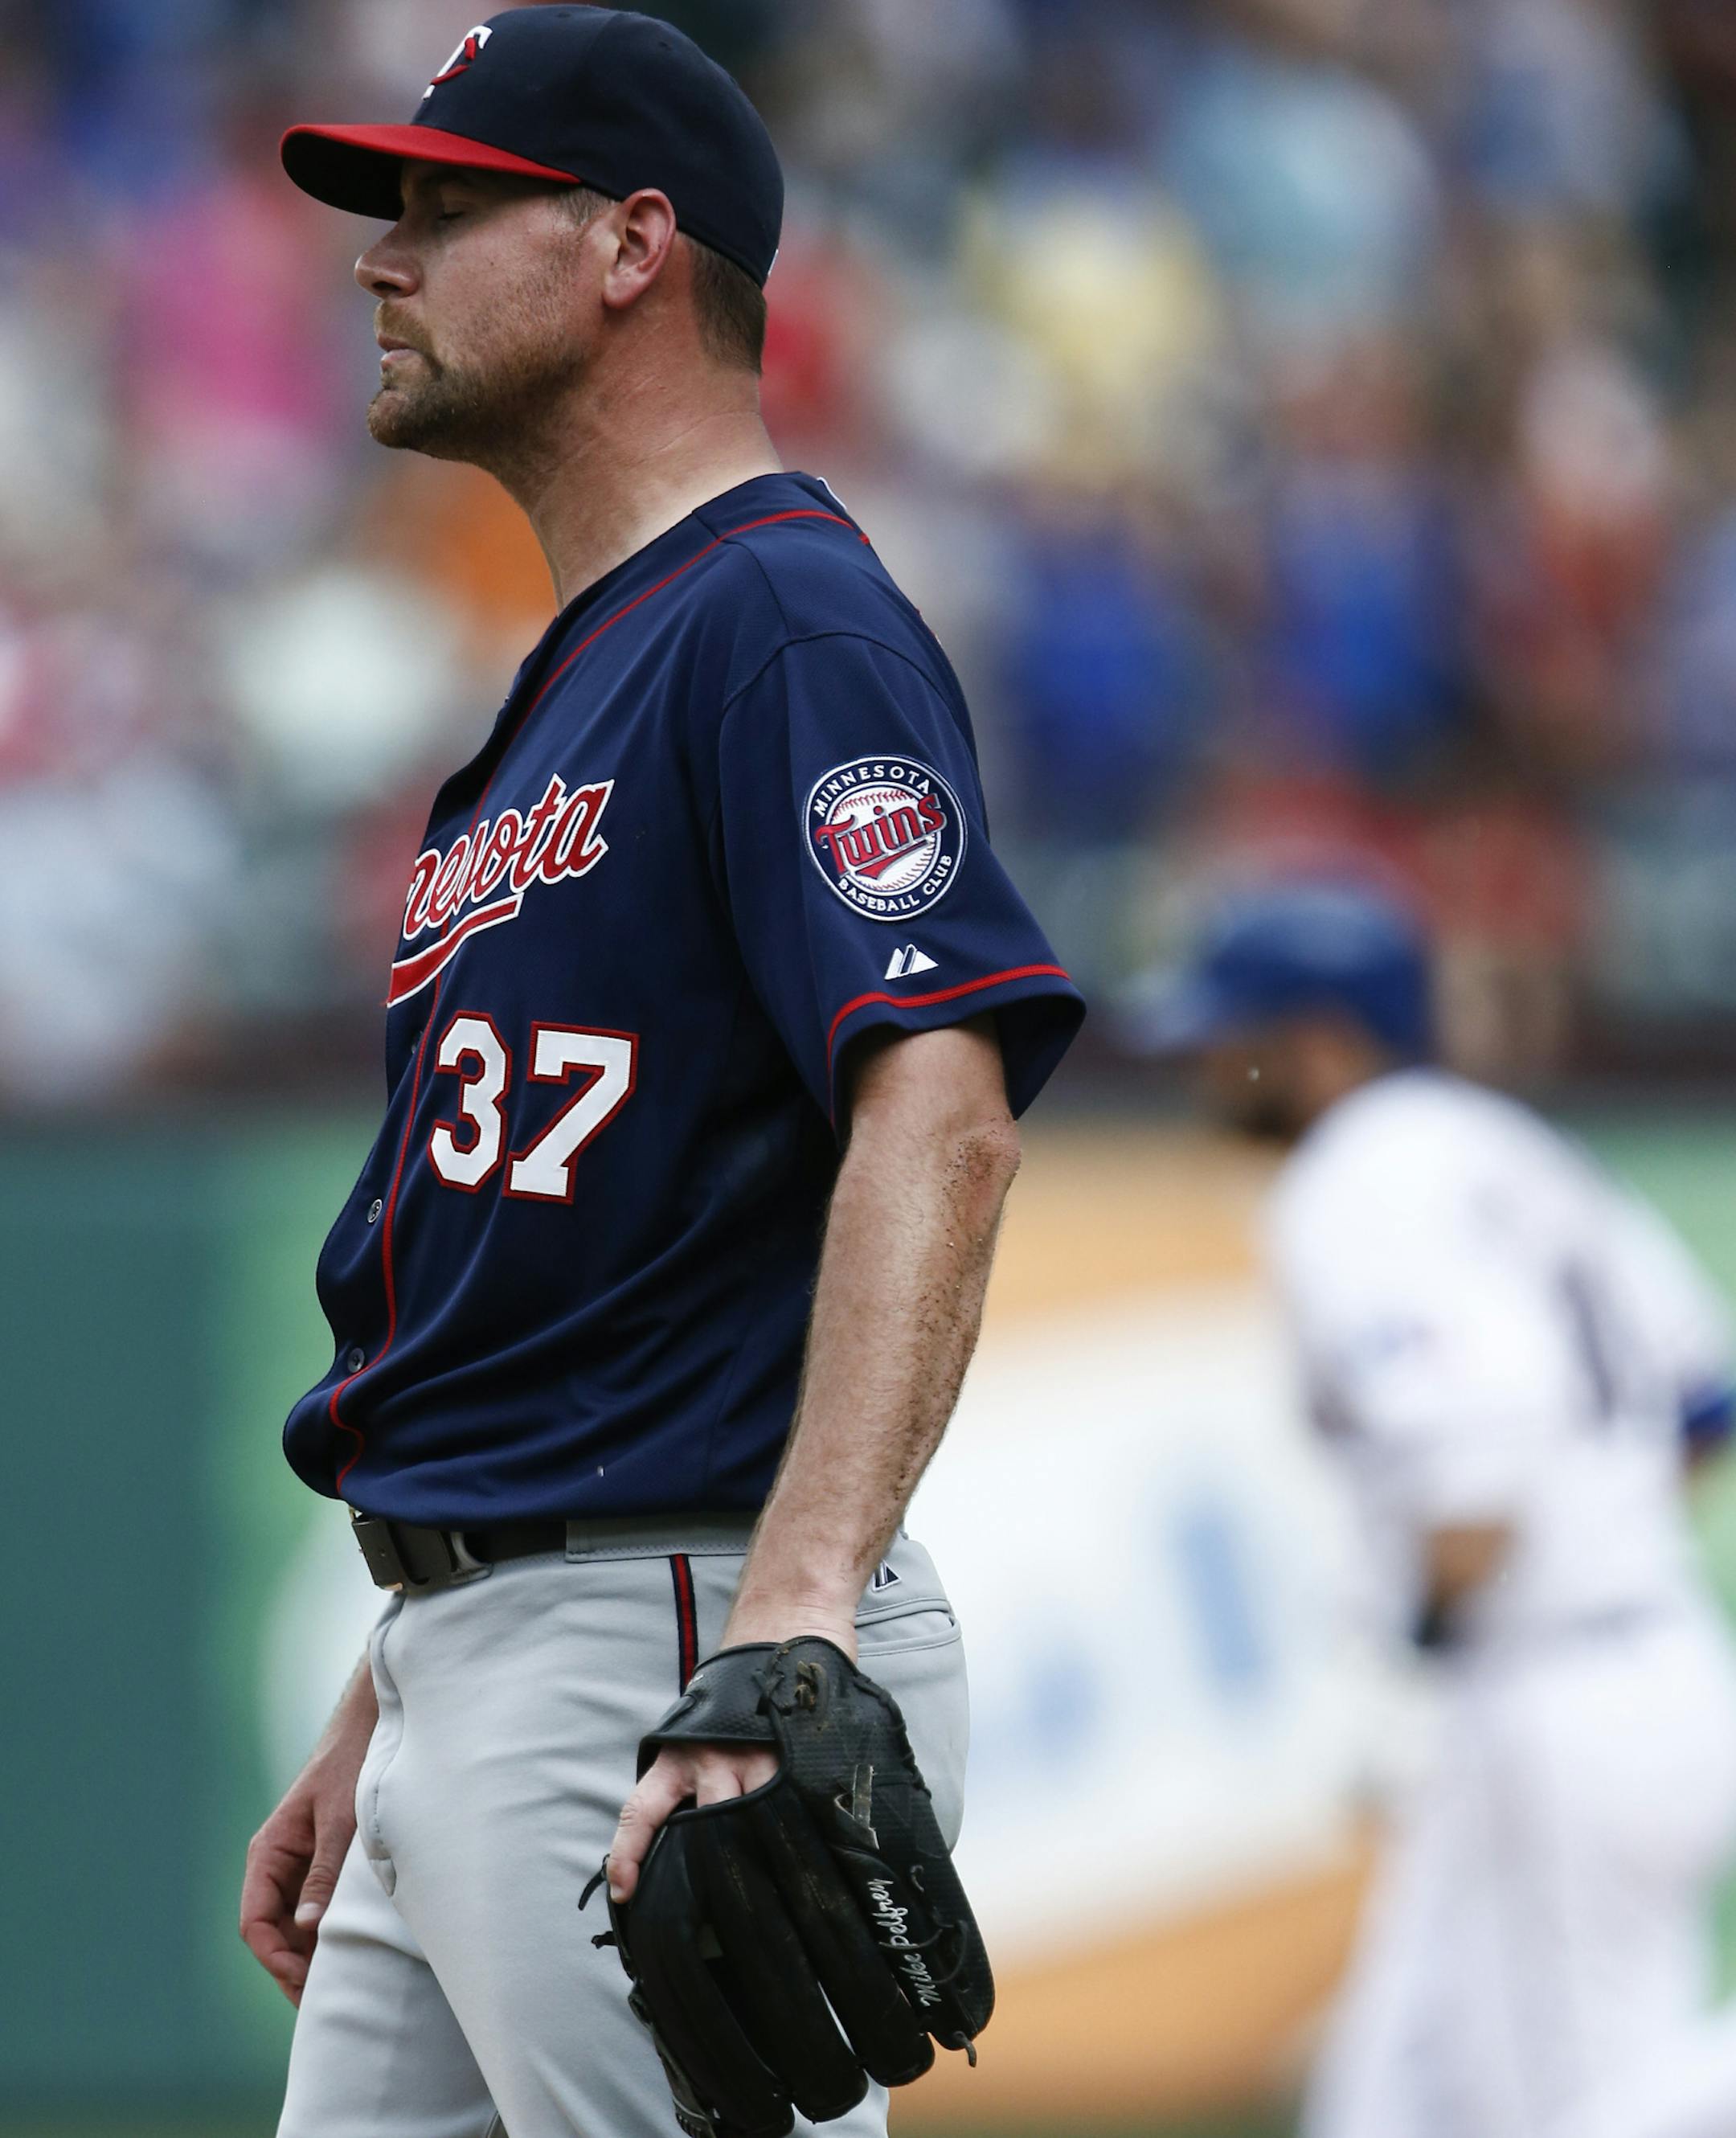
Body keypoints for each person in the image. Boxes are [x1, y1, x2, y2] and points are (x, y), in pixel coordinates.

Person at [238, 13, 1084, 2136]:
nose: (381, 256)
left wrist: (785, 1628)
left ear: (632, 245)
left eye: (445, 208)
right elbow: (572, 1255)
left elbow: (943, 1104)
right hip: (507, 1638)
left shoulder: (782, 623)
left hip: (670, 1630)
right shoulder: (582, 671)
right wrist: (397, 1675)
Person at [1140, 879, 1736, 2138]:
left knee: (1592, 2110)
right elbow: (1700, 1405)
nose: (1208, 1068)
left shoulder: (1361, 1175)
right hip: (1629, 1665)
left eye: (1231, 1039)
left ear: (1319, 1040)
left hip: (1543, 1698)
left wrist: (1424, 1655)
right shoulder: (1499, 1143)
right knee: (1390, 2101)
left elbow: (1475, 1479)